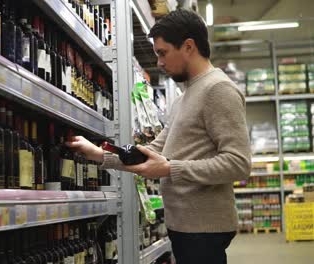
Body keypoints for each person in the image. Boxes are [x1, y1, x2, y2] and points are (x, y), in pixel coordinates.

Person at [66, 9, 251, 264]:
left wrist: (169, 169)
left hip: (204, 229)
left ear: (188, 46)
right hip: (185, 226)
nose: (160, 63)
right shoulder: (185, 97)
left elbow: (238, 164)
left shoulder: (218, 90)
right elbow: (150, 151)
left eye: (163, 53)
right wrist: (99, 154)